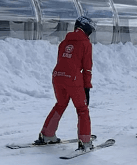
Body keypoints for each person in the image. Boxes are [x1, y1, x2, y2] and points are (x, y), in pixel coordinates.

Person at [36, 15, 94, 150]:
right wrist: (87, 88)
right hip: (73, 79)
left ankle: (47, 134)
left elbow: (62, 61)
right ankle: (85, 141)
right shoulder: (85, 44)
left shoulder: (64, 42)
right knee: (82, 109)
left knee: (60, 104)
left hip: (57, 76)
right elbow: (87, 68)